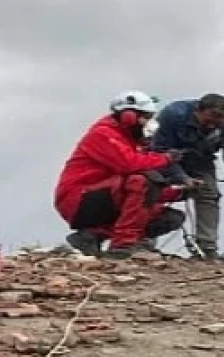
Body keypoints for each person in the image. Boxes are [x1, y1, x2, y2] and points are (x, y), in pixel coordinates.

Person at [53, 91, 188, 258]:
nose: (147, 122)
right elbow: (130, 165)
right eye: (145, 117)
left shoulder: (129, 141)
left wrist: (179, 192)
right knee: (142, 180)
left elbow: (140, 194)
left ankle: (93, 235)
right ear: (128, 116)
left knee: (170, 217)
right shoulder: (103, 134)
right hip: (78, 199)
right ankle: (123, 245)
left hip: (104, 195)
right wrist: (165, 159)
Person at [150, 93, 224, 258]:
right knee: (149, 190)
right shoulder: (173, 114)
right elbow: (158, 150)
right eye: (207, 121)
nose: (211, 126)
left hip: (201, 160)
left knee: (209, 194)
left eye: (217, 123)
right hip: (163, 158)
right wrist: (182, 178)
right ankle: (143, 243)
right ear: (197, 111)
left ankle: (208, 249)